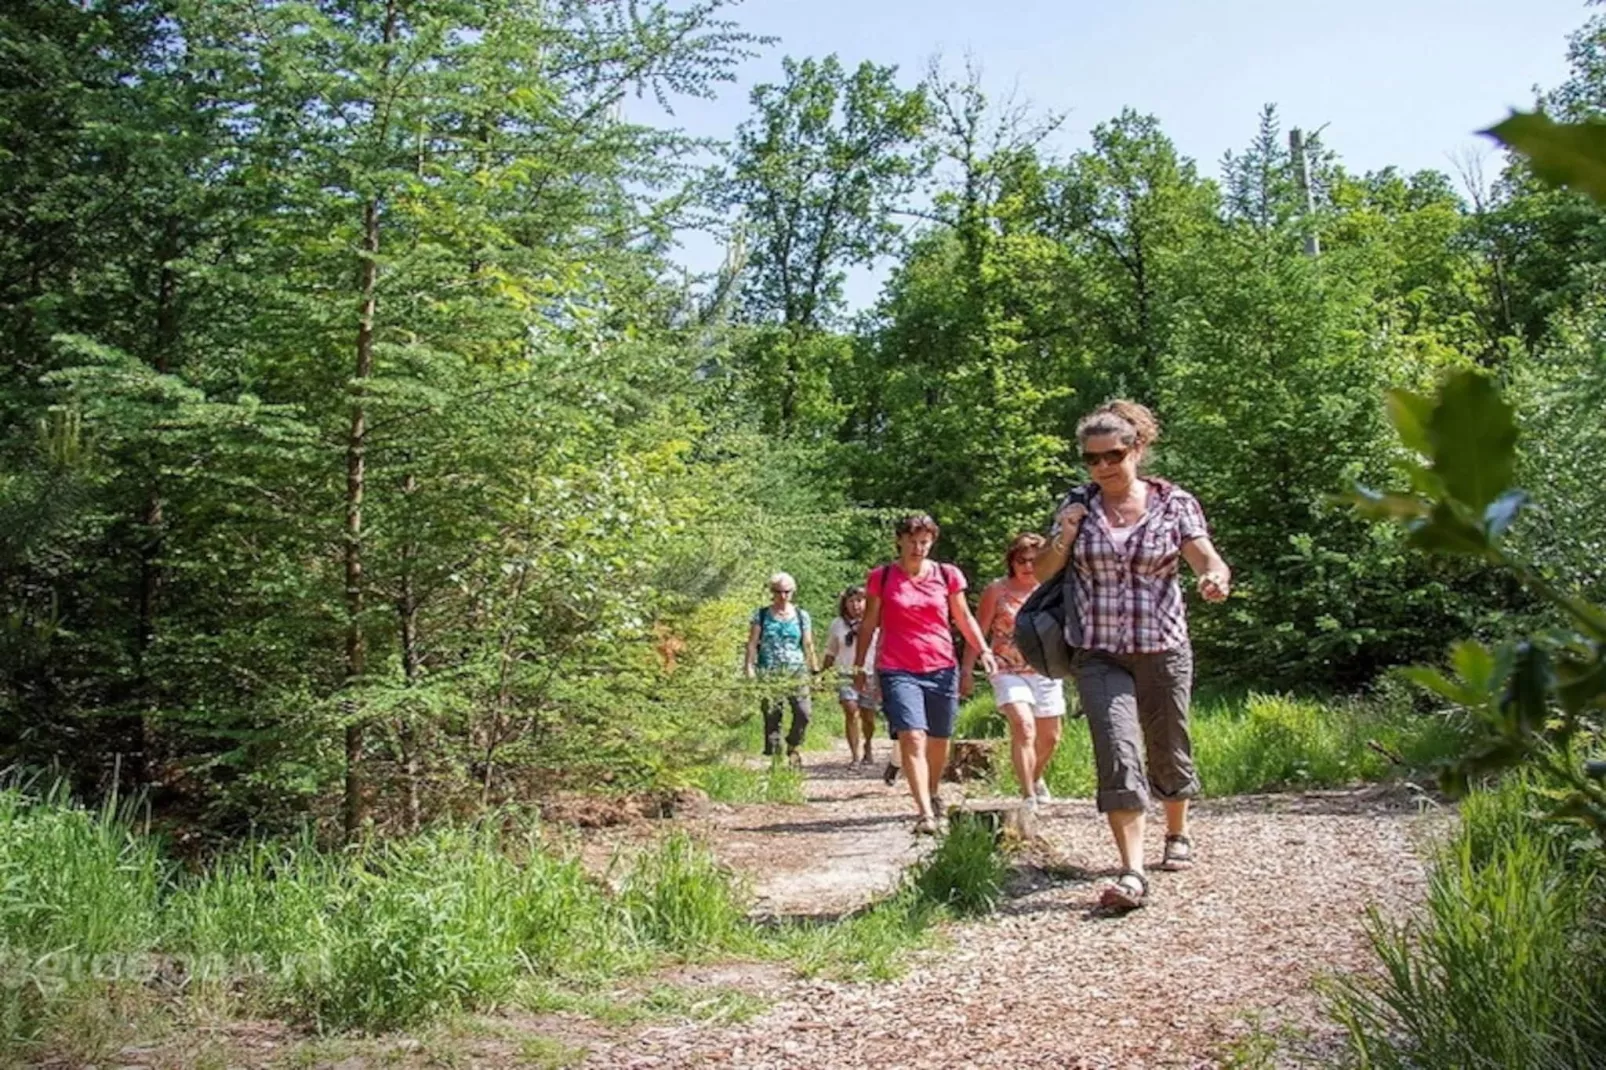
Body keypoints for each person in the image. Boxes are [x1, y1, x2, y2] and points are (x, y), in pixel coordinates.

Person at [1033, 400, 1232, 911]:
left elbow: (1203, 554)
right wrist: (1065, 535)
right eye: (1091, 459)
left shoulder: (1174, 503)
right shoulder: (1077, 503)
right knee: (1116, 749)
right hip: (1097, 650)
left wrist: (1213, 576)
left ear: (1136, 449)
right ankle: (1132, 871)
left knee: (1168, 743)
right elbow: (1042, 572)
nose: (1102, 467)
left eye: (1112, 455)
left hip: (1162, 644)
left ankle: (1177, 830)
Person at [854, 514, 997, 835]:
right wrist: (859, 665)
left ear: (932, 542)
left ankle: (932, 793)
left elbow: (962, 616)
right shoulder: (882, 577)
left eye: (925, 542)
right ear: (900, 540)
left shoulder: (947, 575)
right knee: (912, 735)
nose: (918, 548)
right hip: (897, 667)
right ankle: (924, 813)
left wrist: (983, 651)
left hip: (942, 666)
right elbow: (869, 623)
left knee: (939, 739)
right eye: (913, 541)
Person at [962, 533, 1066, 811]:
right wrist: (967, 670)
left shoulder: (1052, 589)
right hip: (1007, 668)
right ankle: (1028, 794)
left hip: (1045, 668)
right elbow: (978, 631)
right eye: (1021, 560)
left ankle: (1035, 775)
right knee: (1023, 725)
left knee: (1051, 736)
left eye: (1034, 560)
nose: (1028, 566)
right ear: (1011, 561)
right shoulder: (997, 590)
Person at [743, 571, 818, 764]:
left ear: (793, 592)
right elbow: (752, 643)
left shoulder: (802, 616)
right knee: (772, 714)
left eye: (786, 591)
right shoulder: (761, 615)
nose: (782, 596)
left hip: (797, 671)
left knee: (804, 712)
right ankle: (775, 756)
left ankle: (793, 743)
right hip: (769, 670)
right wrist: (749, 667)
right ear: (772, 592)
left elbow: (808, 644)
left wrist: (814, 670)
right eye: (778, 591)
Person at [821, 586, 880, 766]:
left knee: (868, 717)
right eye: (851, 601)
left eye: (859, 601)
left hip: (870, 673)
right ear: (844, 604)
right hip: (845, 673)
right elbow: (831, 651)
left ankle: (868, 745)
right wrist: (824, 674)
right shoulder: (837, 624)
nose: (855, 605)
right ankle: (855, 755)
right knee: (850, 709)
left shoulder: (876, 622)